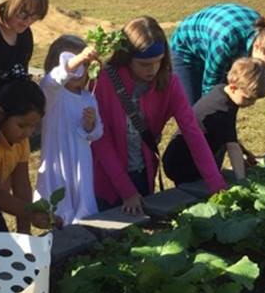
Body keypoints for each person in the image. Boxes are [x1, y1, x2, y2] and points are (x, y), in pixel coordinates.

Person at [92, 16, 226, 215]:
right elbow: (100, 140)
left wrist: (217, 185)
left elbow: (193, 133)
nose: (152, 69)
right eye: (144, 64)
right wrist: (126, 190)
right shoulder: (104, 80)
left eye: (158, 62)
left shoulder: (169, 82)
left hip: (143, 173)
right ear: (127, 58)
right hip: (105, 179)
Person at [169, 3, 265, 176]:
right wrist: (232, 144)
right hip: (187, 53)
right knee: (201, 117)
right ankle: (195, 178)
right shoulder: (226, 41)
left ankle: (214, 176)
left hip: (226, 43)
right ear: (258, 47)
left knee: (222, 122)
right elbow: (212, 98)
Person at [163, 57, 265, 184]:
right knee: (197, 192)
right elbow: (232, 148)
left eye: (255, 100)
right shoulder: (222, 110)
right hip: (183, 163)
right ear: (233, 87)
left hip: (180, 156)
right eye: (248, 99)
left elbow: (229, 135)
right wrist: (242, 181)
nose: (251, 104)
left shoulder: (221, 90)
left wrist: (246, 153)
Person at [0, 74, 55, 233]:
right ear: (0, 114)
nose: (28, 133)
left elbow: (22, 186)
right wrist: (32, 212)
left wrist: (25, 235)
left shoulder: (21, 142)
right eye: (22, 125)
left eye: (33, 126)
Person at [35, 35, 103, 224]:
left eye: (85, 68)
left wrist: (90, 126)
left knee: (82, 199)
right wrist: (79, 59)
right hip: (58, 158)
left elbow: (98, 132)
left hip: (81, 159)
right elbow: (55, 79)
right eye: (75, 66)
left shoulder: (88, 98)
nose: (80, 73)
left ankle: (83, 230)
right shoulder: (53, 94)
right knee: (59, 202)